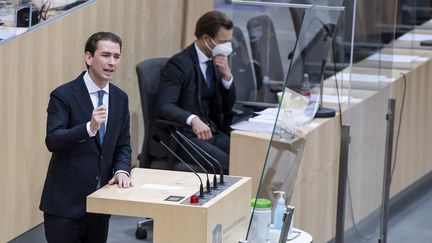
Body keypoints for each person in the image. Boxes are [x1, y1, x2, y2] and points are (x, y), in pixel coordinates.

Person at [39, 31, 133, 243]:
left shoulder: (120, 97)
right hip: (65, 205)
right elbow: (53, 140)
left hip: (100, 203)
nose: (112, 63)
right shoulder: (63, 95)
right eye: (106, 55)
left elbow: (123, 144)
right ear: (89, 58)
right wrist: (89, 128)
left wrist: (122, 170)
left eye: (116, 57)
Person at [156, 10, 235, 174]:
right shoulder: (178, 64)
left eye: (229, 41)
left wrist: (227, 76)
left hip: (212, 132)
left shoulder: (216, 61)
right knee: (229, 166)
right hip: (184, 136)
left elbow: (227, 105)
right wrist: (192, 119)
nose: (227, 46)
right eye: (223, 41)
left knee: (246, 155)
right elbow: (164, 105)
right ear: (206, 39)